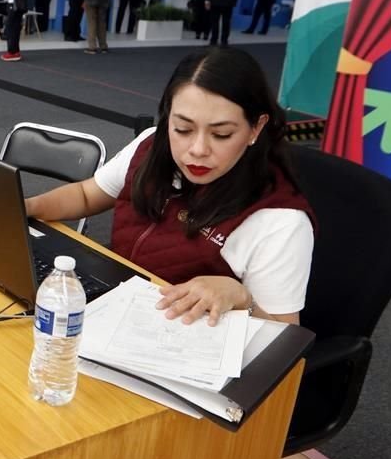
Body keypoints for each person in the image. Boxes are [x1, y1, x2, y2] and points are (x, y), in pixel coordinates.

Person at [26, 48, 314, 326]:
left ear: (256, 128)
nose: (198, 149)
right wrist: (27, 205)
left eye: (222, 134)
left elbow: (284, 334)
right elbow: (87, 194)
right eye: (183, 129)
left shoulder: (279, 219)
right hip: (111, 310)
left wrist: (243, 299)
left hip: (184, 346)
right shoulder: (151, 147)